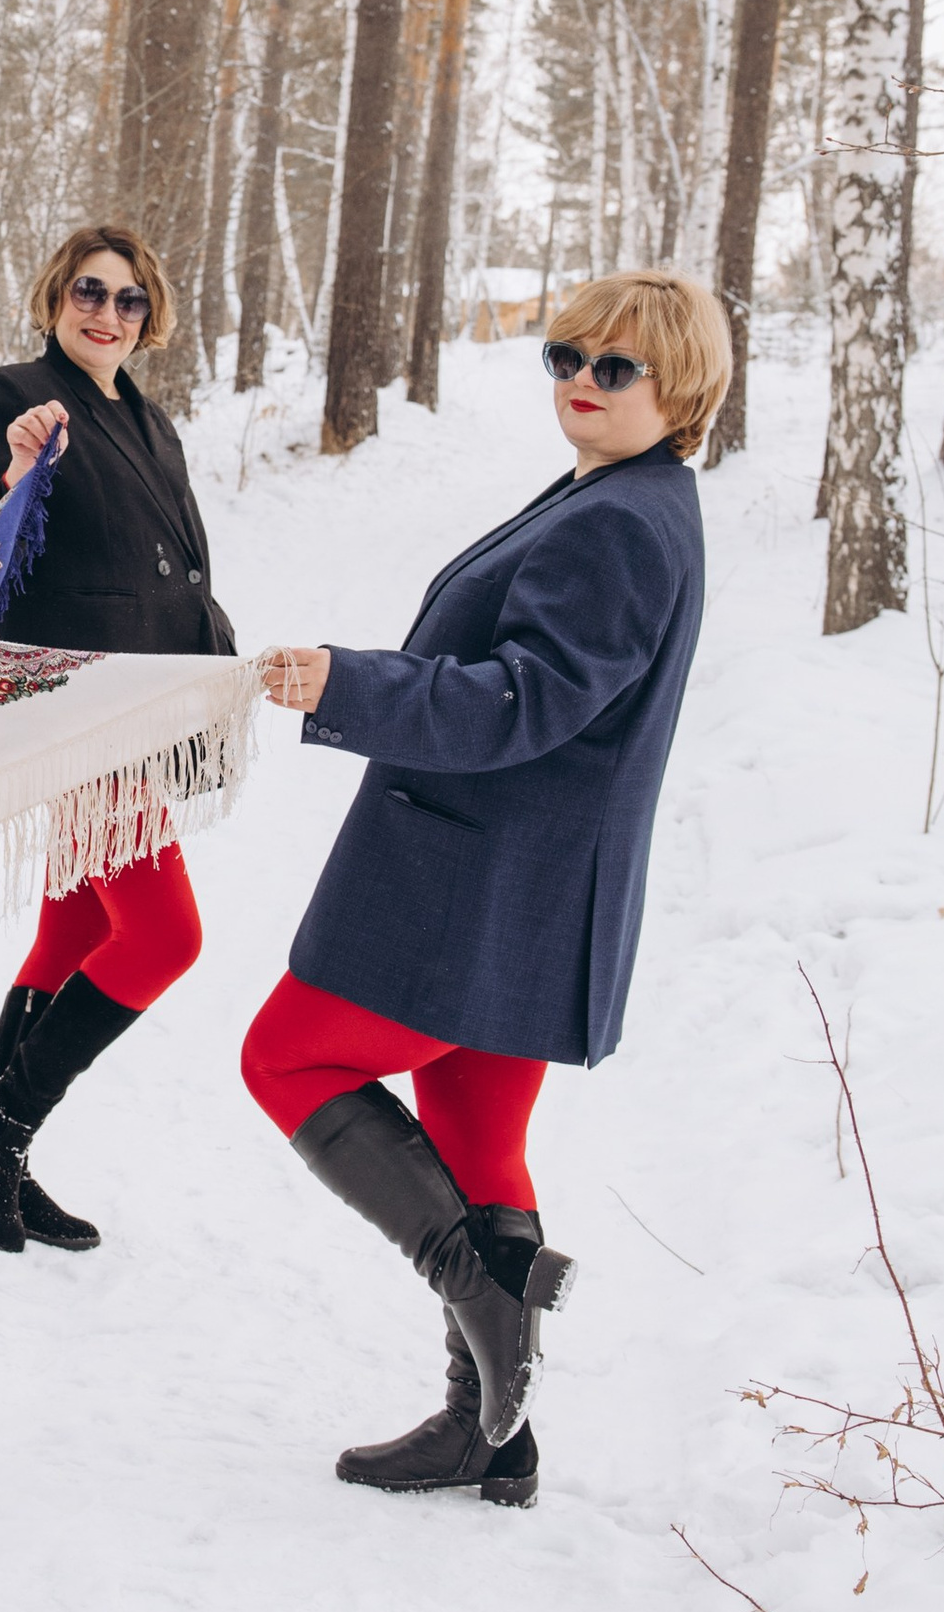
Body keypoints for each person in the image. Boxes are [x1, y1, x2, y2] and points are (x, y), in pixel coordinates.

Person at [244, 268, 727, 1508]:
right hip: (510, 881)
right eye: (567, 354)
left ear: (678, 387)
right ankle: (489, 1434)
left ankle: (479, 1303)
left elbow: (524, 699)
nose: (580, 379)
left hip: (480, 884)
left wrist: (345, 685)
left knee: (285, 1055)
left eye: (614, 367)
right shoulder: (617, 492)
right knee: (473, 1134)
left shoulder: (622, 519)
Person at [0, 223, 236, 1256]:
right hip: (69, 706)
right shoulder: (15, 396)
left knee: (72, 934)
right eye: (88, 293)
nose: (106, 313)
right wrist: (21, 473)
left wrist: (215, 677)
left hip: (141, 705)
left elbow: (179, 571)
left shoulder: (149, 421)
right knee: (162, 935)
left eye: (128, 299)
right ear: (55, 296)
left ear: (150, 317)